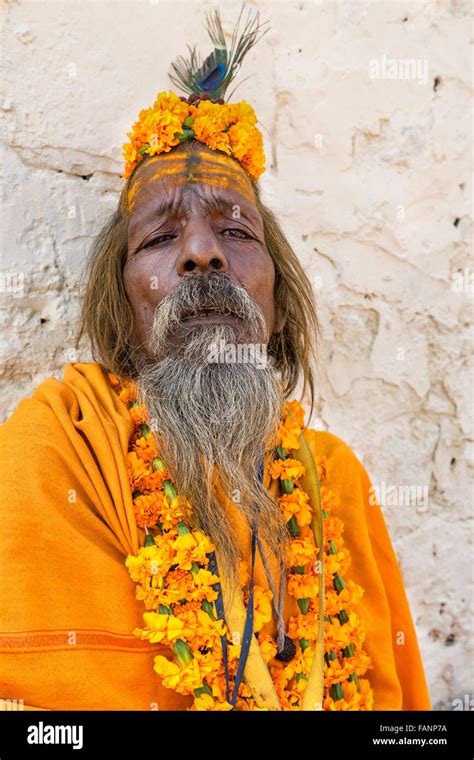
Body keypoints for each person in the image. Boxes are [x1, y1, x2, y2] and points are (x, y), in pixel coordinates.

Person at [0, 5, 431, 712]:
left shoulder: (338, 484)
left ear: (278, 298)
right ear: (123, 306)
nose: (204, 253)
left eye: (235, 229)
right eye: (160, 239)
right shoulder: (52, 459)